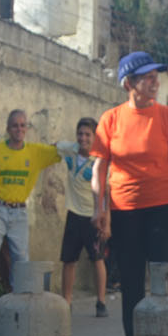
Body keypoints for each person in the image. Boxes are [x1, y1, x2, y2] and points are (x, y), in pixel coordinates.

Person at [93, 51, 168, 336]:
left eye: (155, 77)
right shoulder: (111, 119)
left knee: (164, 273)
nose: (155, 82)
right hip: (124, 209)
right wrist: (101, 209)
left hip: (163, 206)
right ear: (129, 84)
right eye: (147, 78)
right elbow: (99, 169)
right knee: (132, 276)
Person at [0, 110, 66, 314]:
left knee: (21, 259)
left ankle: (20, 298)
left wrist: (72, 146)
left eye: (23, 125)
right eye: (15, 125)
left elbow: (60, 151)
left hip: (19, 212)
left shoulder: (35, 152)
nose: (19, 129)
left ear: (27, 129)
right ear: (8, 129)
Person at [60, 116, 108, 317]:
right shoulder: (69, 150)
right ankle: (66, 302)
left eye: (88, 135)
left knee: (96, 259)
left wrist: (104, 218)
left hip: (92, 216)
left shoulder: (98, 161)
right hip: (73, 215)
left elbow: (106, 192)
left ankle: (101, 302)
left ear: (94, 137)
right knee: (68, 260)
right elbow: (52, 147)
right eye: (80, 134)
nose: (83, 138)